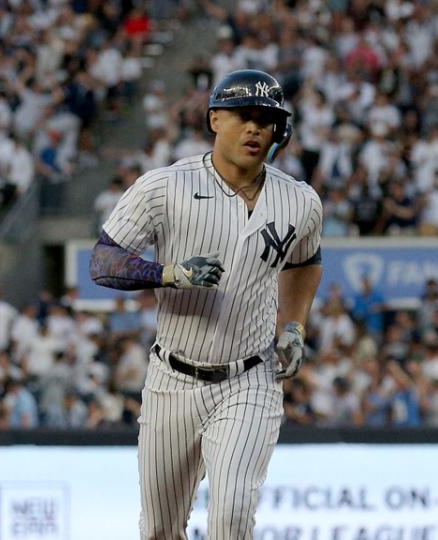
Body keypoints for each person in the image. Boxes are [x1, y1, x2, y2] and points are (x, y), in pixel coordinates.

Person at [89, 69, 323, 539]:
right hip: (173, 378)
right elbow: (103, 262)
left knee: (233, 513)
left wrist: (295, 326)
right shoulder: (164, 186)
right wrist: (168, 274)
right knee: (159, 528)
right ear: (215, 118)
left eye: (266, 120)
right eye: (243, 116)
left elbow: (305, 260)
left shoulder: (300, 201)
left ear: (281, 131)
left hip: (250, 377)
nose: (255, 128)